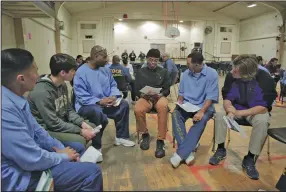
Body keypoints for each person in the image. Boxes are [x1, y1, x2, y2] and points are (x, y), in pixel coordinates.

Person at [1, 48, 103, 191]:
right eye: (35, 71)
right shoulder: (5, 110)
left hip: (30, 158)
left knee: (77, 149)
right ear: (21, 79)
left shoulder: (18, 98)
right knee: (92, 172)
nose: (38, 76)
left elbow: (38, 131)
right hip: (21, 176)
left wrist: (62, 150)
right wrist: (62, 156)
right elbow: (30, 158)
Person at [209, 55, 277, 180]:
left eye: (236, 70)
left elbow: (264, 107)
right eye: (233, 68)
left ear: (247, 74)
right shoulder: (231, 76)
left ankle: (250, 158)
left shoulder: (265, 78)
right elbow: (227, 97)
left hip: (255, 111)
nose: (232, 71)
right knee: (219, 115)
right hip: (235, 109)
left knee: (262, 121)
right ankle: (220, 149)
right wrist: (229, 109)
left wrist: (239, 113)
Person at [27, 54, 100, 154]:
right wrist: (80, 131)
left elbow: (69, 110)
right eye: (73, 70)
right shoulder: (42, 92)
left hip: (60, 122)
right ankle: (77, 161)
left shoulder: (62, 85)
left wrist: (82, 123)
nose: (75, 73)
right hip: (47, 130)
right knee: (80, 140)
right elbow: (53, 123)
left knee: (91, 125)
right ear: (62, 73)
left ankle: (87, 154)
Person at [73, 45, 135, 152]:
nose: (107, 60)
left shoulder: (105, 70)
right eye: (104, 57)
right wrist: (100, 101)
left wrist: (114, 96)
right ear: (96, 56)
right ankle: (96, 147)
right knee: (96, 111)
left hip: (106, 103)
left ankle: (121, 137)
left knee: (124, 104)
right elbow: (81, 95)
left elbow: (112, 85)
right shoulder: (81, 72)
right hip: (87, 105)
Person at [170, 52, 219, 168]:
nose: (186, 65)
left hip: (204, 106)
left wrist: (201, 111)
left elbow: (210, 97)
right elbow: (181, 94)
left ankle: (181, 154)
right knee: (175, 114)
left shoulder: (212, 74)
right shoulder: (186, 74)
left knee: (201, 120)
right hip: (188, 105)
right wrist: (179, 102)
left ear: (196, 65)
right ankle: (188, 151)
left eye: (188, 63)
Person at [134, 48, 170, 158]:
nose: (153, 63)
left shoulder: (164, 72)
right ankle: (145, 134)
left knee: (163, 107)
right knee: (138, 109)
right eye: (151, 60)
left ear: (159, 61)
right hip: (146, 98)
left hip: (159, 97)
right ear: (146, 59)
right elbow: (136, 89)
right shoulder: (141, 72)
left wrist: (161, 94)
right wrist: (142, 95)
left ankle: (160, 141)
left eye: (156, 60)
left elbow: (167, 89)